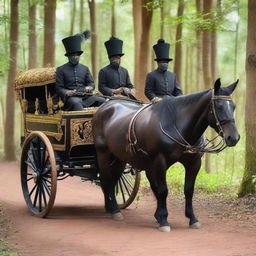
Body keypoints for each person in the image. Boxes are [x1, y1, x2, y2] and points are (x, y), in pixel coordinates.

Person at [56, 32, 105, 111]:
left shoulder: (85, 68)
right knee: (76, 103)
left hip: (86, 97)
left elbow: (91, 83)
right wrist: (67, 92)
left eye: (77, 54)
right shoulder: (61, 69)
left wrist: (90, 87)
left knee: (102, 101)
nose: (75, 56)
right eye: (73, 55)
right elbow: (59, 88)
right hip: (71, 99)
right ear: (68, 56)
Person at [144, 39, 183, 103]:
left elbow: (178, 91)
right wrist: (154, 98)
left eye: (166, 62)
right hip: (157, 103)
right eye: (162, 62)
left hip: (172, 102)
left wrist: (179, 98)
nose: (165, 63)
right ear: (158, 63)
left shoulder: (173, 75)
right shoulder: (151, 75)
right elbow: (148, 91)